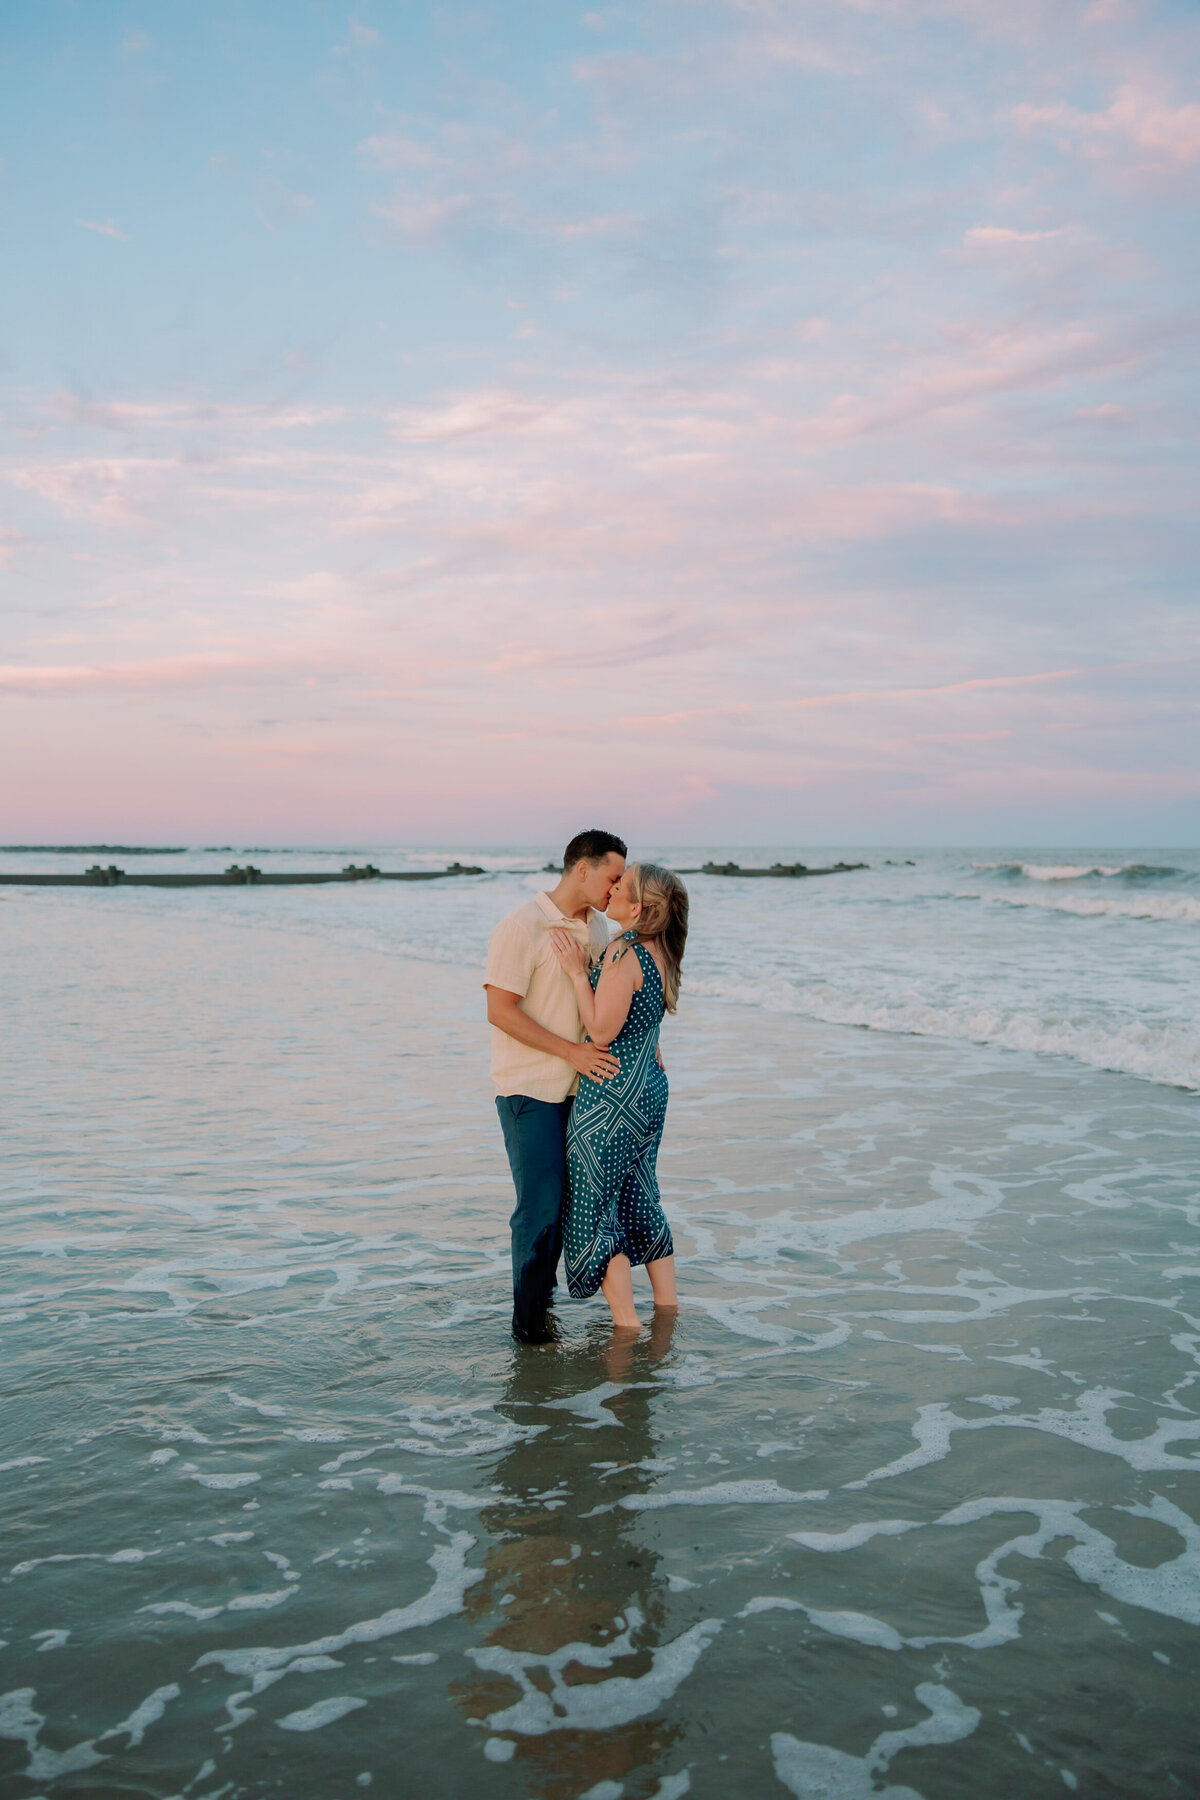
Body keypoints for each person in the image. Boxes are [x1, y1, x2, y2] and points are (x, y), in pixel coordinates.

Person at [484, 829, 627, 1344]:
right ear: (582, 869)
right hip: (530, 1089)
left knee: (573, 1205)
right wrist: (570, 1052)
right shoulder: (522, 925)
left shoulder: (601, 931)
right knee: (539, 1207)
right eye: (613, 878)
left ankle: (544, 1311)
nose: (617, 888)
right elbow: (499, 1010)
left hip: (583, 1091)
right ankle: (527, 1330)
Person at [549, 862, 688, 1330]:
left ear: (640, 907)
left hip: (610, 1093)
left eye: (622, 887)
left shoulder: (622, 951)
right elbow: (644, 1019)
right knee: (639, 1194)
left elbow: (603, 1031)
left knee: (595, 1204)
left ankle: (627, 1327)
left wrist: (573, 971)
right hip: (648, 1087)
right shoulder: (662, 950)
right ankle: (667, 1309)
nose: (612, 891)